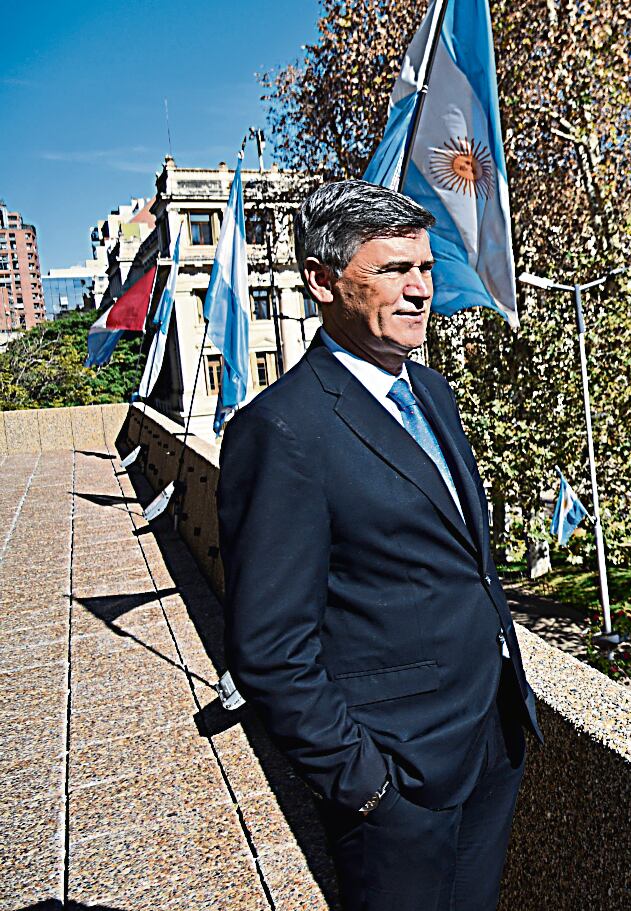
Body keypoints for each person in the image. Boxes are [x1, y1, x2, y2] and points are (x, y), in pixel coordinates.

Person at [218, 180, 541, 911]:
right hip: (397, 778)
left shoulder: (432, 392)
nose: (420, 289)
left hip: (489, 738)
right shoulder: (283, 430)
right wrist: (367, 788)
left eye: (424, 268)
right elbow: (269, 647)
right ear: (322, 280)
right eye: (393, 270)